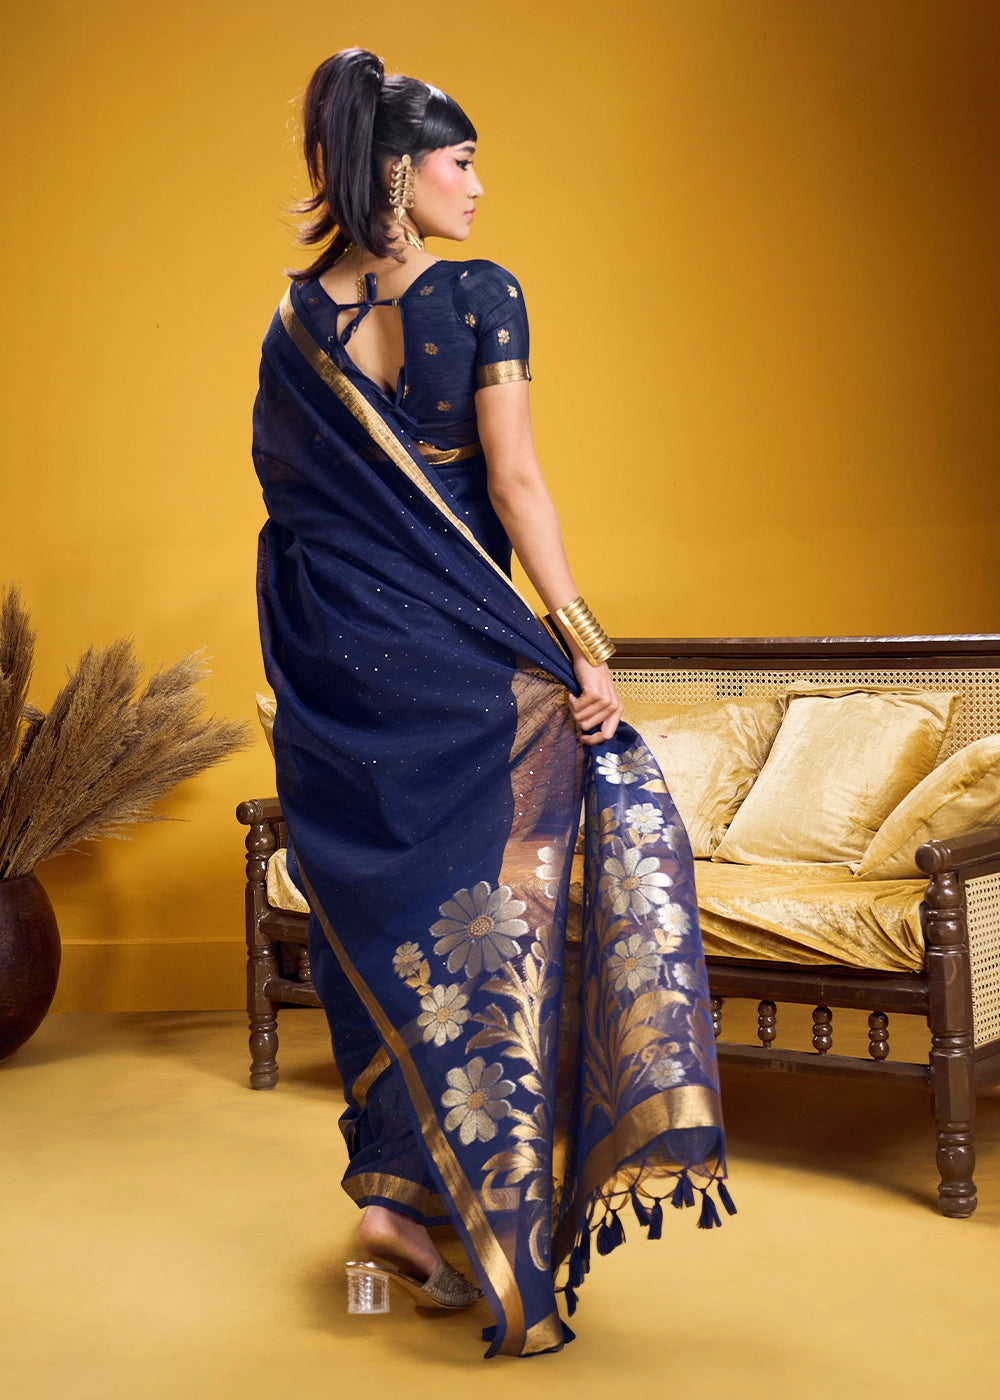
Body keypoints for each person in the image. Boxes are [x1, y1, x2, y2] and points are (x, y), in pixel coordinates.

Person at [254, 47, 733, 1359]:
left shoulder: (295, 322)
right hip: (465, 657)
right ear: (404, 171)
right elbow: (513, 486)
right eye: (462, 161)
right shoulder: (480, 293)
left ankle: (396, 1203)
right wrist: (583, 643)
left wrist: (334, 654)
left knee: (394, 920)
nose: (477, 185)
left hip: (344, 672)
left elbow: (289, 509)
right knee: (516, 908)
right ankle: (479, 1210)